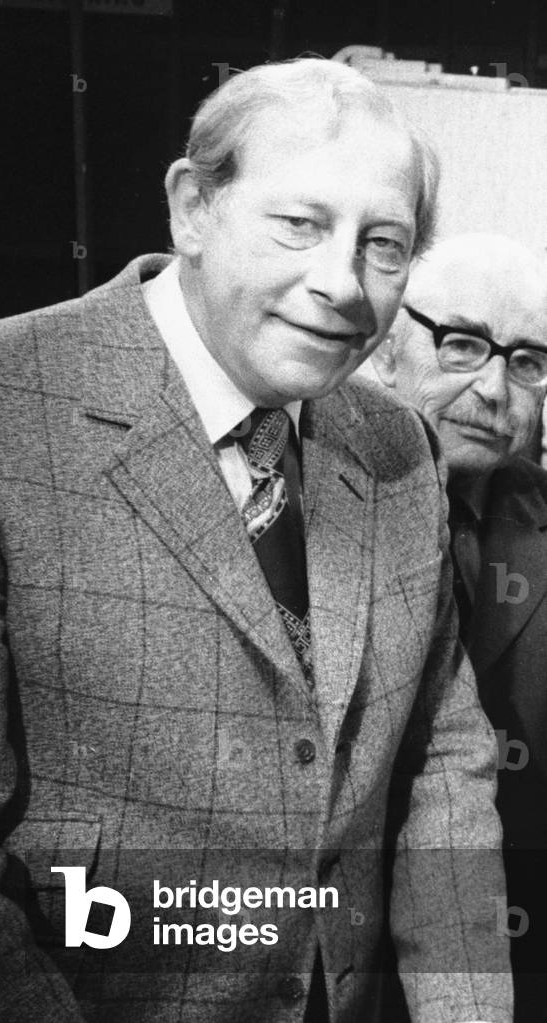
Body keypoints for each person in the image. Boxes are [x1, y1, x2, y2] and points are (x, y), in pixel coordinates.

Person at [0, 60, 510, 1023]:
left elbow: (446, 766)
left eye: (384, 245)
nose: (340, 284)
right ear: (193, 207)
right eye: (300, 224)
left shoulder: (397, 443)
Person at [367, 232, 547, 1023]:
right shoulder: (295, 504)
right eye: (463, 344)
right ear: (385, 348)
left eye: (528, 362)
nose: (494, 389)